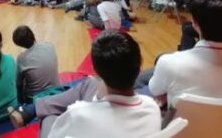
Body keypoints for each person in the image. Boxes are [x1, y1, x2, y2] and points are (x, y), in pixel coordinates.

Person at [9, 31, 161, 138]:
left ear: (96, 70)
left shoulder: (79, 113)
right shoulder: (152, 107)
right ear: (139, 66)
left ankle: (31, 110)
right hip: (111, 106)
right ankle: (30, 110)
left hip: (85, 118)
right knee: (88, 84)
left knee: (48, 115)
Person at [149, 0, 222, 108]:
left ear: (194, 22)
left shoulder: (169, 62)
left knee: (143, 80)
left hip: (180, 126)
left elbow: (155, 90)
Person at [12, 25, 59, 102]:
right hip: (56, 90)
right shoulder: (49, 45)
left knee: (18, 83)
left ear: (20, 44)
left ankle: (21, 105)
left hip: (35, 99)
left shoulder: (22, 58)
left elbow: (18, 83)